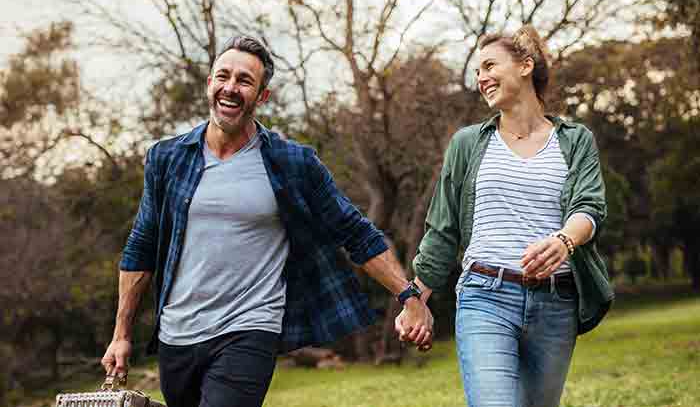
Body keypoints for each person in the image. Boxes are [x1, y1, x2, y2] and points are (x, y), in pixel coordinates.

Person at [101, 35, 433, 407]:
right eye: (222, 76)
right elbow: (141, 247)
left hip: (250, 327)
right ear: (209, 84)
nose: (230, 87)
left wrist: (409, 296)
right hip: (177, 334)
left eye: (244, 81)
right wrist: (121, 333)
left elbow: (355, 231)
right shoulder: (167, 158)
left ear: (262, 97)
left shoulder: (293, 163)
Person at [396, 25, 613, 407]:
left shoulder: (575, 140)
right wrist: (416, 300)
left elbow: (590, 207)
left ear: (526, 65)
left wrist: (564, 241)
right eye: (477, 72)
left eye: (489, 66)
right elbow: (442, 230)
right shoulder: (468, 143)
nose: (481, 79)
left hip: (555, 303)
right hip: (485, 297)